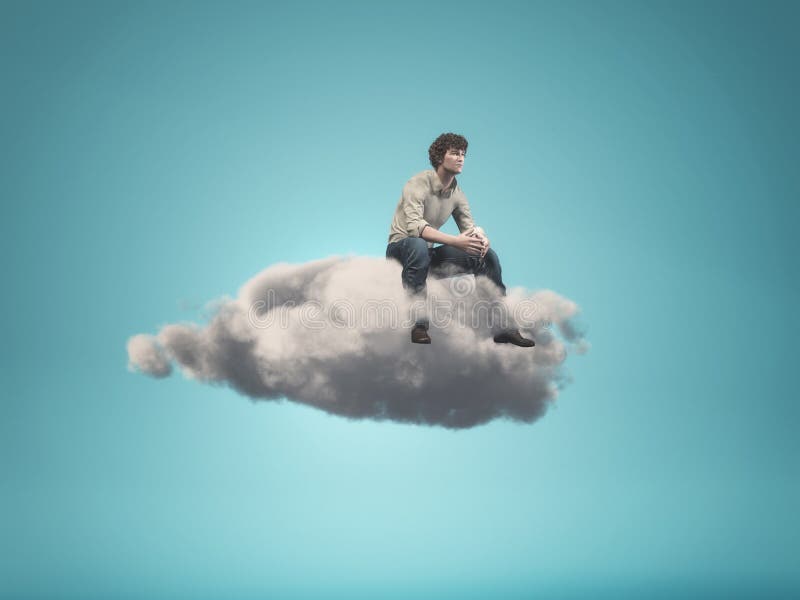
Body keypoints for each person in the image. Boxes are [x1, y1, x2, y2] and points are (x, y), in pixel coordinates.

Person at [386, 132, 535, 346]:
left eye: (463, 154)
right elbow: (414, 228)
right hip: (401, 251)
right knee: (418, 245)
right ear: (439, 157)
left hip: (426, 257)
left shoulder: (458, 194)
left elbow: (469, 229)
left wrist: (481, 238)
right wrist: (455, 241)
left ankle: (502, 328)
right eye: (455, 153)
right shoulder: (417, 183)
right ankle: (418, 324)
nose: (461, 158)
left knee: (485, 256)